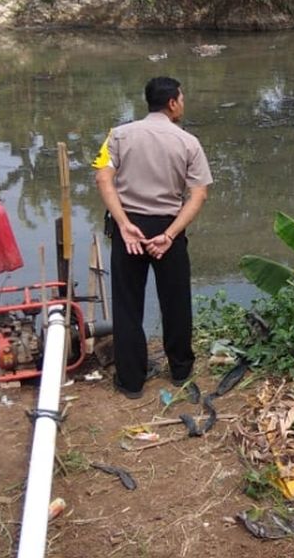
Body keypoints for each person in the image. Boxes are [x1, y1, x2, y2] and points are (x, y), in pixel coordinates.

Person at [92, 77, 212, 398]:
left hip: (127, 228)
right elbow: (198, 195)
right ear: (172, 102)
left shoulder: (116, 136)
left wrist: (123, 223)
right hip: (167, 227)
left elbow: (102, 178)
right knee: (175, 301)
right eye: (182, 99)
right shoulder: (188, 142)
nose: (183, 104)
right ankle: (180, 371)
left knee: (127, 303)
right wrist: (170, 234)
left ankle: (130, 381)